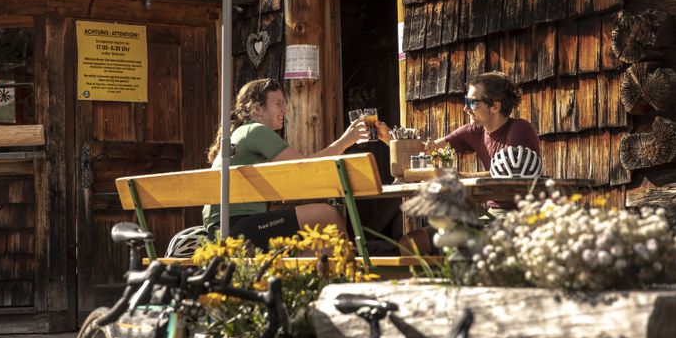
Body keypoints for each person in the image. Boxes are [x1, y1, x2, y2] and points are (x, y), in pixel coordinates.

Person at [202, 78, 388, 250]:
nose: (284, 110)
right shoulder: (255, 130)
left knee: (314, 248)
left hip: (222, 229)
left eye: (284, 103)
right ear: (256, 109)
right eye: (278, 104)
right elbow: (304, 168)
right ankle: (351, 276)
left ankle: (329, 279)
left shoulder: (242, 133)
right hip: (233, 229)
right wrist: (345, 141)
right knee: (327, 215)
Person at [402, 72, 540, 251]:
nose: (466, 108)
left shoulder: (519, 129)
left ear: (495, 106)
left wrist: (462, 176)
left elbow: (508, 174)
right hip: (489, 216)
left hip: (518, 216)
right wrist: (389, 137)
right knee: (410, 244)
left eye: (472, 102)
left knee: (456, 245)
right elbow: (425, 149)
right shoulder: (475, 131)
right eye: (465, 101)